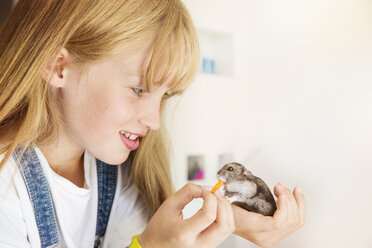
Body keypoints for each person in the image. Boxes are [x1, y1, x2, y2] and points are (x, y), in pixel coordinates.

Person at [0, 0, 305, 247]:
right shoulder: (6, 194)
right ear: (58, 67)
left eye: (164, 96)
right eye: (139, 89)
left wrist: (228, 219)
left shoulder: (119, 176)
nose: (155, 121)